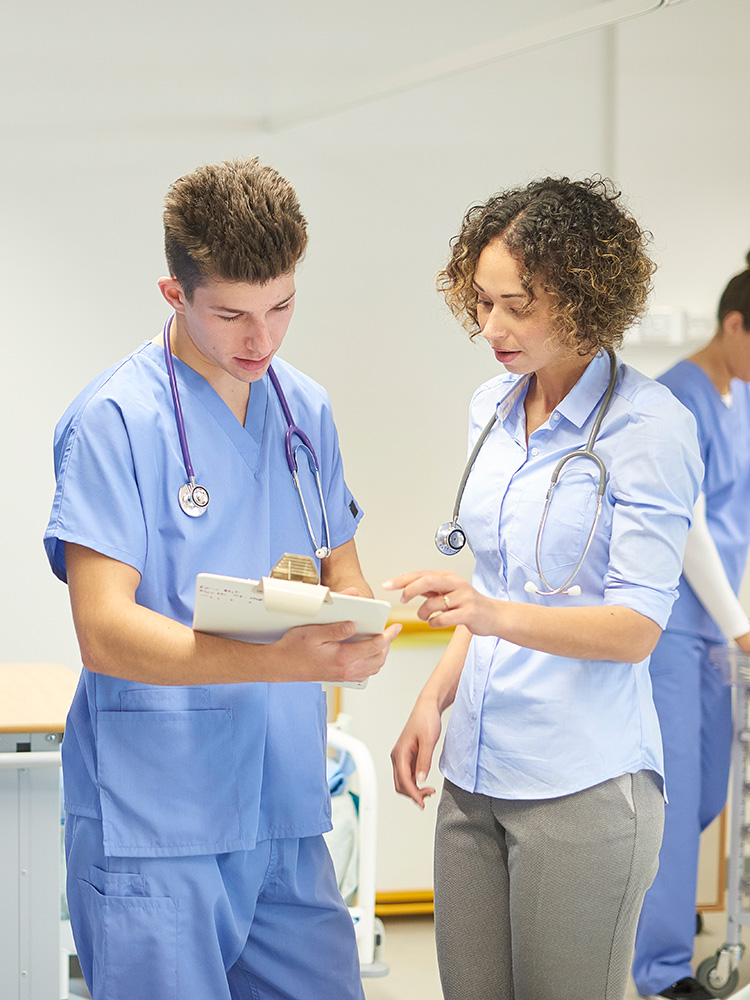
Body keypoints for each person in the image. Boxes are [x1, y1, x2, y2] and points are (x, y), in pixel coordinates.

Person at [44, 157, 400, 1000]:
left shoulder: (303, 408)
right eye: (232, 314)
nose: (261, 341)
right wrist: (281, 660)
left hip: (283, 804)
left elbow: (343, 564)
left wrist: (359, 627)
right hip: (157, 813)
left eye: (281, 308)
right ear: (174, 294)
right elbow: (104, 631)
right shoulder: (114, 421)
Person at [384, 176, 703, 1000]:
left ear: (584, 298)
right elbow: (493, 586)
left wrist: (490, 612)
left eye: (516, 306)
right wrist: (432, 700)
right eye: (482, 302)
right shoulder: (491, 407)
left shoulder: (650, 428)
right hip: (474, 774)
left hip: (580, 781)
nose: (491, 327)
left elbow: (635, 628)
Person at [633, 254, 750, 1000]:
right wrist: (739, 627)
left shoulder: (740, 399)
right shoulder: (676, 397)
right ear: (734, 325)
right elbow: (689, 528)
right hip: (676, 625)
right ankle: (663, 970)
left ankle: (646, 922)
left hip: (720, 626)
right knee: (674, 798)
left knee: (708, 791)